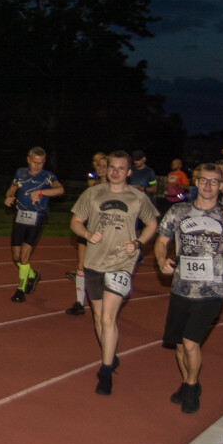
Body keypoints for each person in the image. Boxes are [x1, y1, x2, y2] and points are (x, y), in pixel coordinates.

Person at [154, 163, 223, 413]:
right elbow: (161, 242)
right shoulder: (178, 210)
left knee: (191, 343)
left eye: (214, 182)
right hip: (181, 288)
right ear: (195, 182)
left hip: (211, 292)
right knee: (180, 345)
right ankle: (187, 381)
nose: (208, 186)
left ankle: (192, 388)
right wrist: (161, 259)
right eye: (203, 180)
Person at [69, 150, 158, 396]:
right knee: (98, 317)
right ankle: (110, 354)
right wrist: (87, 234)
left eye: (121, 168)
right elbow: (75, 221)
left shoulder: (137, 197)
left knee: (108, 318)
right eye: (112, 167)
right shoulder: (92, 193)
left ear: (129, 171)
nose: (116, 171)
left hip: (122, 263)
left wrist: (138, 243)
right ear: (107, 170)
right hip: (94, 262)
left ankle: (106, 371)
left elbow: (152, 223)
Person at [4, 147, 63, 302]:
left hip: (36, 217)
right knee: (16, 256)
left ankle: (20, 290)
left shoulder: (48, 176)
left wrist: (42, 192)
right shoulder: (20, 173)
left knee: (24, 255)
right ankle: (32, 274)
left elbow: (60, 189)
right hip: (19, 216)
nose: (37, 166)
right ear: (28, 160)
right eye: (35, 162)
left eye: (41, 163)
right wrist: (9, 198)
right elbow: (11, 190)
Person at [66, 152, 109, 316]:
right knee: (81, 265)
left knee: (102, 268)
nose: (100, 168)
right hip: (87, 231)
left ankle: (105, 301)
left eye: (104, 165)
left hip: (105, 235)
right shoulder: (91, 188)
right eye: (98, 165)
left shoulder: (114, 189)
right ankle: (79, 302)